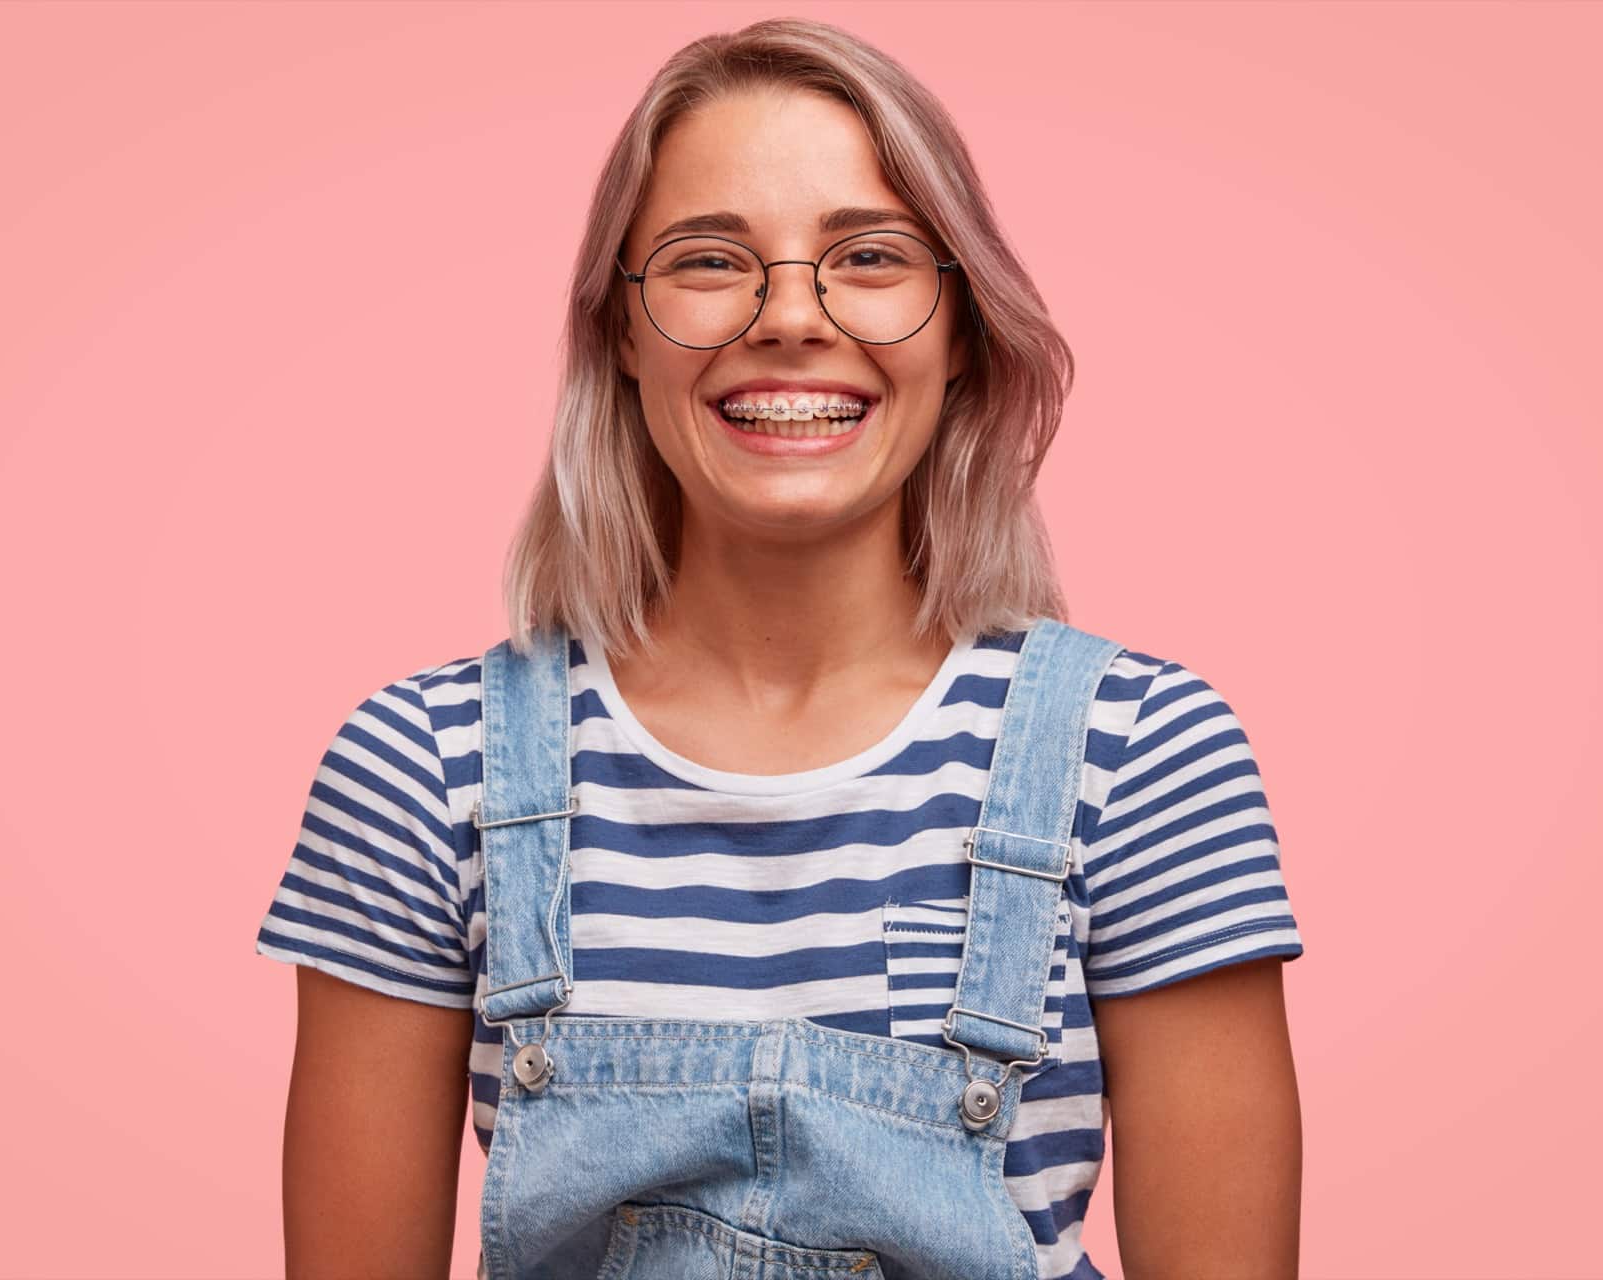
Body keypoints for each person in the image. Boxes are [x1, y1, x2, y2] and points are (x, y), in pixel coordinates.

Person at [254, 17, 1305, 1280]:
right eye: (710, 261)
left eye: (869, 256)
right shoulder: (426, 769)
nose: (792, 318)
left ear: (961, 330)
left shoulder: (1142, 757)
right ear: (621, 334)